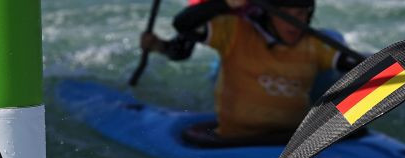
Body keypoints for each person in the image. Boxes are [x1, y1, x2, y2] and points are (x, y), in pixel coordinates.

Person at [140, 0, 358, 141]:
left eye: (301, 13)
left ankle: (304, 116)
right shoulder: (232, 27)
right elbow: (183, 38)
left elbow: (355, 64)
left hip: (295, 62)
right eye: (289, 14)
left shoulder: (315, 41)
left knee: (331, 42)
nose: (295, 20)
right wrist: (161, 46)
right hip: (240, 48)